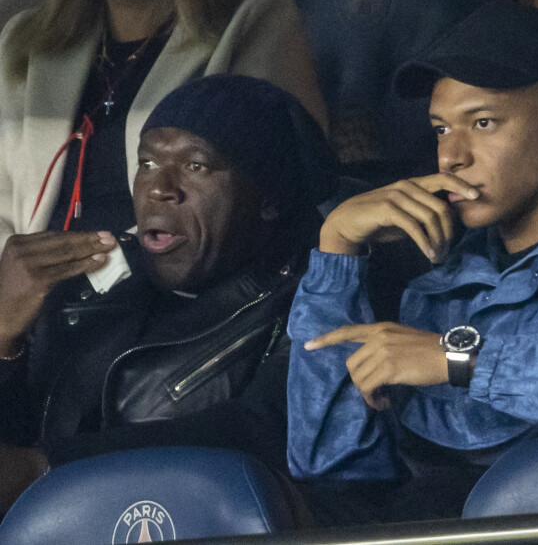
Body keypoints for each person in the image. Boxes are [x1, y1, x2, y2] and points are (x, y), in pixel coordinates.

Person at [286, 1, 538, 524]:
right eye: (442, 129)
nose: (451, 157)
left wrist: (460, 360)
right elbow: (331, 471)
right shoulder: (435, 278)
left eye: (483, 123)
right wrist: (337, 250)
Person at [0, 74, 337, 515]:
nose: (159, 188)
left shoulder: (315, 298)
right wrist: (4, 336)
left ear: (268, 198)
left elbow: (261, 431)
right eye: (147, 163)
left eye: (196, 166)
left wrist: (43, 470)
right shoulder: (87, 286)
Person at [0, 0, 327, 257]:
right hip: (35, 316)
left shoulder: (254, 18)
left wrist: (95, 273)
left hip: (179, 313)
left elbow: (278, 203)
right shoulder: (24, 42)